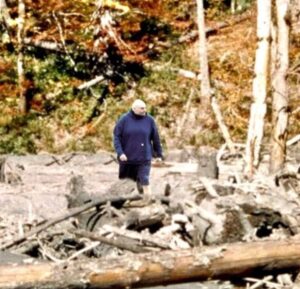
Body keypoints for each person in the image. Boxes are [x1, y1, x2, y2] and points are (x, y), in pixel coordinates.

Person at [113, 99, 163, 198]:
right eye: (142, 108)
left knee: (144, 180)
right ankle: (124, 206)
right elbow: (116, 137)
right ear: (134, 108)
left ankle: (149, 203)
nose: (144, 110)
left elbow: (156, 138)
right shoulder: (124, 120)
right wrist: (120, 152)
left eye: (145, 108)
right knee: (126, 184)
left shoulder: (150, 120)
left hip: (144, 158)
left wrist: (159, 155)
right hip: (127, 159)